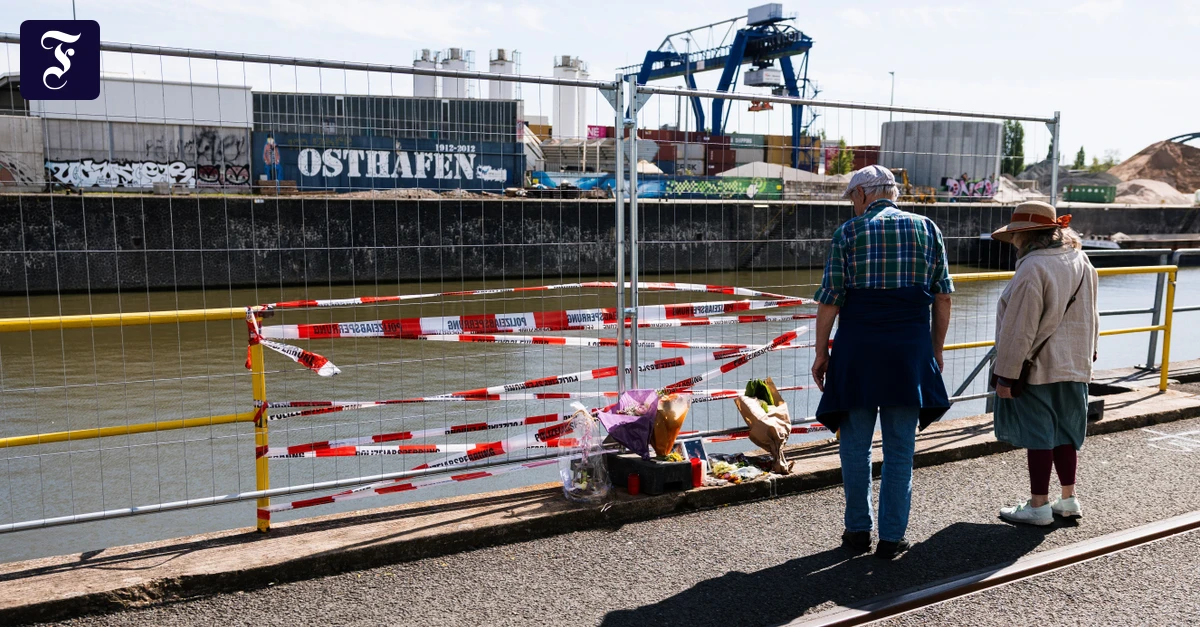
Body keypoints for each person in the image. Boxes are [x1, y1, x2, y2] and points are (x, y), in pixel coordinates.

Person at [812, 165, 953, 560]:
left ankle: (858, 531)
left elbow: (830, 300)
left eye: (851, 199)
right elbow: (942, 297)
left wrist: (822, 353)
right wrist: (935, 349)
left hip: (858, 351)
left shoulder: (849, 233)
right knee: (900, 450)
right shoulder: (928, 229)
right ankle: (892, 538)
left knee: (855, 448)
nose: (852, 207)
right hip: (908, 353)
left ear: (862, 194)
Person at [990, 201, 1099, 526]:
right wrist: (1091, 351)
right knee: (1066, 432)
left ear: (1025, 236)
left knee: (1039, 436)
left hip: (1037, 368)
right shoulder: (1081, 259)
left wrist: (1006, 376)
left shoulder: (1032, 267)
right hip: (1075, 363)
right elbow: (1093, 314)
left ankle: (1038, 506)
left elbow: (1019, 328)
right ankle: (1068, 499)